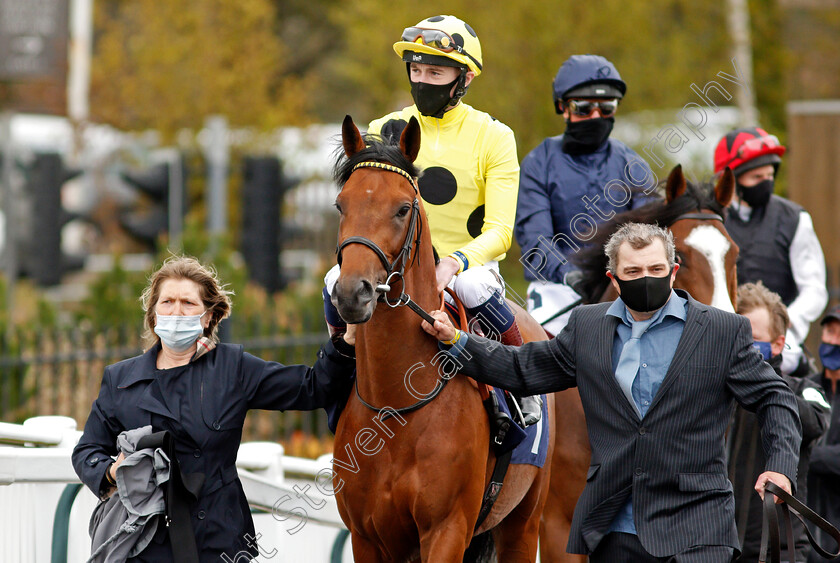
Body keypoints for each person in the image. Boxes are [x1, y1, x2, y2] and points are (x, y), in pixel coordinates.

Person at [422, 222, 801, 562]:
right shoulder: (587, 327)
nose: (646, 278)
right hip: (613, 530)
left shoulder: (723, 330)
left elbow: (775, 398)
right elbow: (524, 368)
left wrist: (781, 467)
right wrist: (456, 341)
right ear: (614, 279)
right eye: (633, 271)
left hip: (698, 528)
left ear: (674, 272)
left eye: (656, 269)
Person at [322, 14, 542, 424]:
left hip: (465, 266)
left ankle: (519, 389)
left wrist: (452, 263)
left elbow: (500, 231)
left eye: (435, 72)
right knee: (336, 281)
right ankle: (339, 374)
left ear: (465, 78)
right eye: (416, 70)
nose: (422, 80)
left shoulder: (494, 136)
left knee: (475, 286)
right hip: (392, 262)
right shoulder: (384, 128)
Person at [72, 256, 356, 562]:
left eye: (188, 303)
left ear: (208, 317)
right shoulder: (120, 379)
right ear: (154, 314)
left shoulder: (233, 367)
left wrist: (347, 338)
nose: (176, 311)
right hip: (145, 544)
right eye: (167, 301)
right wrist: (113, 472)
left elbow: (311, 388)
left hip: (219, 542)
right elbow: (86, 450)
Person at [516, 54, 655, 335]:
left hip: (622, 283)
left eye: (606, 107)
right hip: (556, 289)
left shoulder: (634, 165)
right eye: (584, 107)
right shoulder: (538, 162)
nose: (595, 116)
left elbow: (649, 235)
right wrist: (571, 274)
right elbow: (534, 238)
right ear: (562, 108)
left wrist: (620, 275)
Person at [728, 282, 830, 563]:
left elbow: (815, 422)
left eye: (753, 339)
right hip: (718, 546)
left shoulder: (804, 389)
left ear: (778, 344)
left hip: (778, 549)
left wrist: (767, 390)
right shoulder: (718, 394)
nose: (743, 348)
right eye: (737, 338)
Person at [714, 127, 828, 375]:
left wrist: (782, 327)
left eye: (769, 175)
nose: (766, 183)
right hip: (720, 342)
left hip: (778, 346)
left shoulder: (795, 219)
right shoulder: (711, 221)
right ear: (730, 179)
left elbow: (815, 289)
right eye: (756, 177)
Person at [807, 304, 840, 563]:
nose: (834, 341)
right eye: (830, 332)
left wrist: (804, 454)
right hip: (804, 530)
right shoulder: (807, 388)